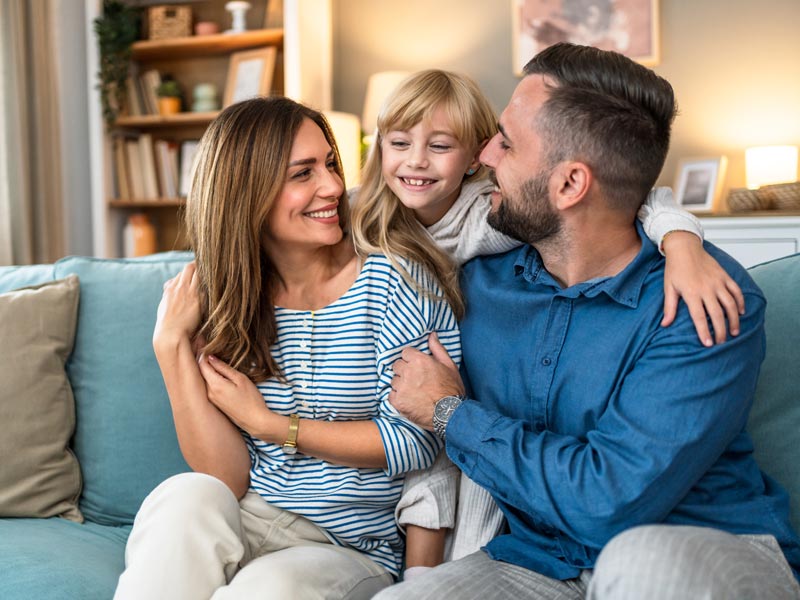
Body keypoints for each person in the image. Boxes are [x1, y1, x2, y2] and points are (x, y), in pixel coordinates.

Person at [377, 44, 800, 599]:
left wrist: (450, 413)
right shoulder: (477, 278)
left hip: (702, 546)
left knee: (638, 564)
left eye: (507, 142)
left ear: (570, 185)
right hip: (541, 560)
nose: (484, 155)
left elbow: (608, 502)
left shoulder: (702, 298)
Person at [112, 96, 462, 600]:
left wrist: (273, 426)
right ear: (247, 192)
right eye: (303, 173)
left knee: (269, 588)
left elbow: (418, 441)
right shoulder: (228, 298)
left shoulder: (394, 282)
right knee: (184, 496)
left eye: (330, 164)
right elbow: (225, 477)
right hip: (248, 518)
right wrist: (171, 346)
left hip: (346, 548)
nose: (334, 186)